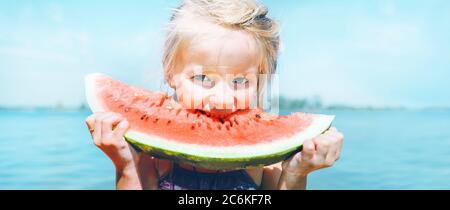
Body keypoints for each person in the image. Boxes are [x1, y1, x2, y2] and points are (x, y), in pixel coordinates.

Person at [85, 0, 344, 190]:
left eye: (240, 80)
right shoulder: (154, 161)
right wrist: (126, 164)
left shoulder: (267, 165)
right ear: (171, 74)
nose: (222, 99)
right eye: (203, 78)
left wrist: (297, 173)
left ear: (261, 82)